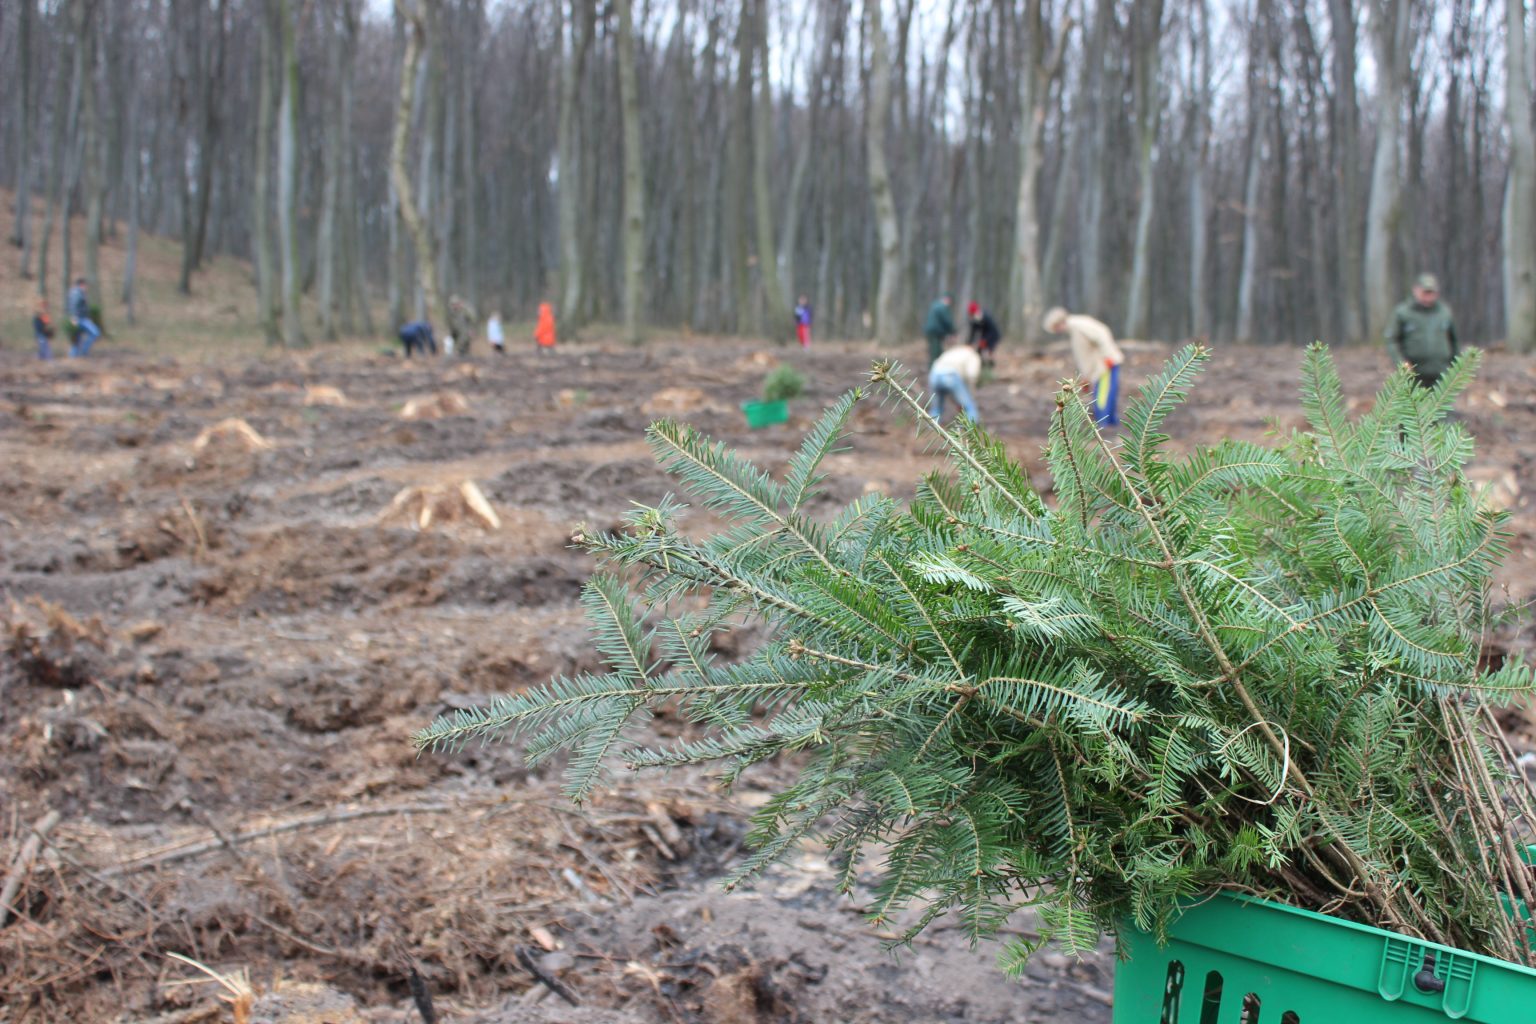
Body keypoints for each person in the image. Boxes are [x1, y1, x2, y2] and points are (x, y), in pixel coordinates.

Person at [1043, 306, 1125, 427]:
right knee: (1106, 397)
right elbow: (1085, 355)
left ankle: (1104, 426)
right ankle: (1111, 425)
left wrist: (1108, 356)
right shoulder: (1074, 329)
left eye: (1056, 328)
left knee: (1102, 399)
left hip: (1105, 367)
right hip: (1097, 370)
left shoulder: (1079, 325)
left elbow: (1101, 334)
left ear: (1059, 323)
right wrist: (1087, 377)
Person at [1386, 273, 1459, 389]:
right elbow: (1392, 340)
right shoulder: (1403, 313)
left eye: (1431, 293)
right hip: (1413, 374)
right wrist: (1401, 362)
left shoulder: (1444, 312)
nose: (1428, 296)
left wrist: (1456, 365)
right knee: (1414, 400)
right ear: (1415, 290)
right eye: (1425, 292)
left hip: (1441, 372)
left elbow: (1454, 340)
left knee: (1442, 400)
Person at [928, 338, 981, 423]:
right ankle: (972, 428)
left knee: (936, 408)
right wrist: (970, 393)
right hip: (951, 376)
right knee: (969, 406)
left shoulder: (954, 350)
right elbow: (972, 375)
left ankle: (931, 427)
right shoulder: (972, 354)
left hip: (934, 375)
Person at [67, 277, 101, 358]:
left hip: (81, 318)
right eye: (86, 285)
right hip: (80, 319)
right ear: (82, 285)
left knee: (77, 337)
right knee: (95, 333)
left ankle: (73, 355)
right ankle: (83, 351)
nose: (87, 288)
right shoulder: (77, 293)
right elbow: (73, 306)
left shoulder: (78, 292)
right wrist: (74, 317)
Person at [923, 294, 957, 366]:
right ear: (948, 299)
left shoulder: (935, 305)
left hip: (930, 331)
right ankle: (933, 369)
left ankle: (934, 367)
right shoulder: (942, 307)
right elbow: (947, 321)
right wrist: (952, 332)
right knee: (936, 352)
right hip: (935, 332)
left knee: (934, 351)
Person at [966, 301, 1001, 369]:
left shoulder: (986, 317)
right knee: (979, 349)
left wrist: (985, 340)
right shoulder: (974, 320)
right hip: (985, 334)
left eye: (972, 314)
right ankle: (981, 364)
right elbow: (972, 333)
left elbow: (992, 330)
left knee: (990, 350)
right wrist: (969, 343)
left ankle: (991, 365)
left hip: (993, 335)